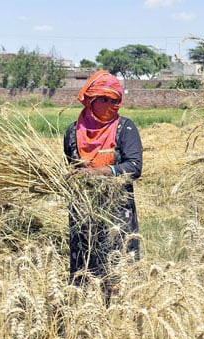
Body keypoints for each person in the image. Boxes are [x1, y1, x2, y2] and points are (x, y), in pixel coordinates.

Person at [64, 70, 143, 290]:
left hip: (116, 213)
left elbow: (134, 167)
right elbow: (71, 168)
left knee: (118, 273)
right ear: (90, 100)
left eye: (115, 100)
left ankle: (117, 318)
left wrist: (97, 172)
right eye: (104, 100)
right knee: (84, 271)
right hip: (83, 212)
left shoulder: (125, 129)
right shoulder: (73, 133)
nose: (111, 105)